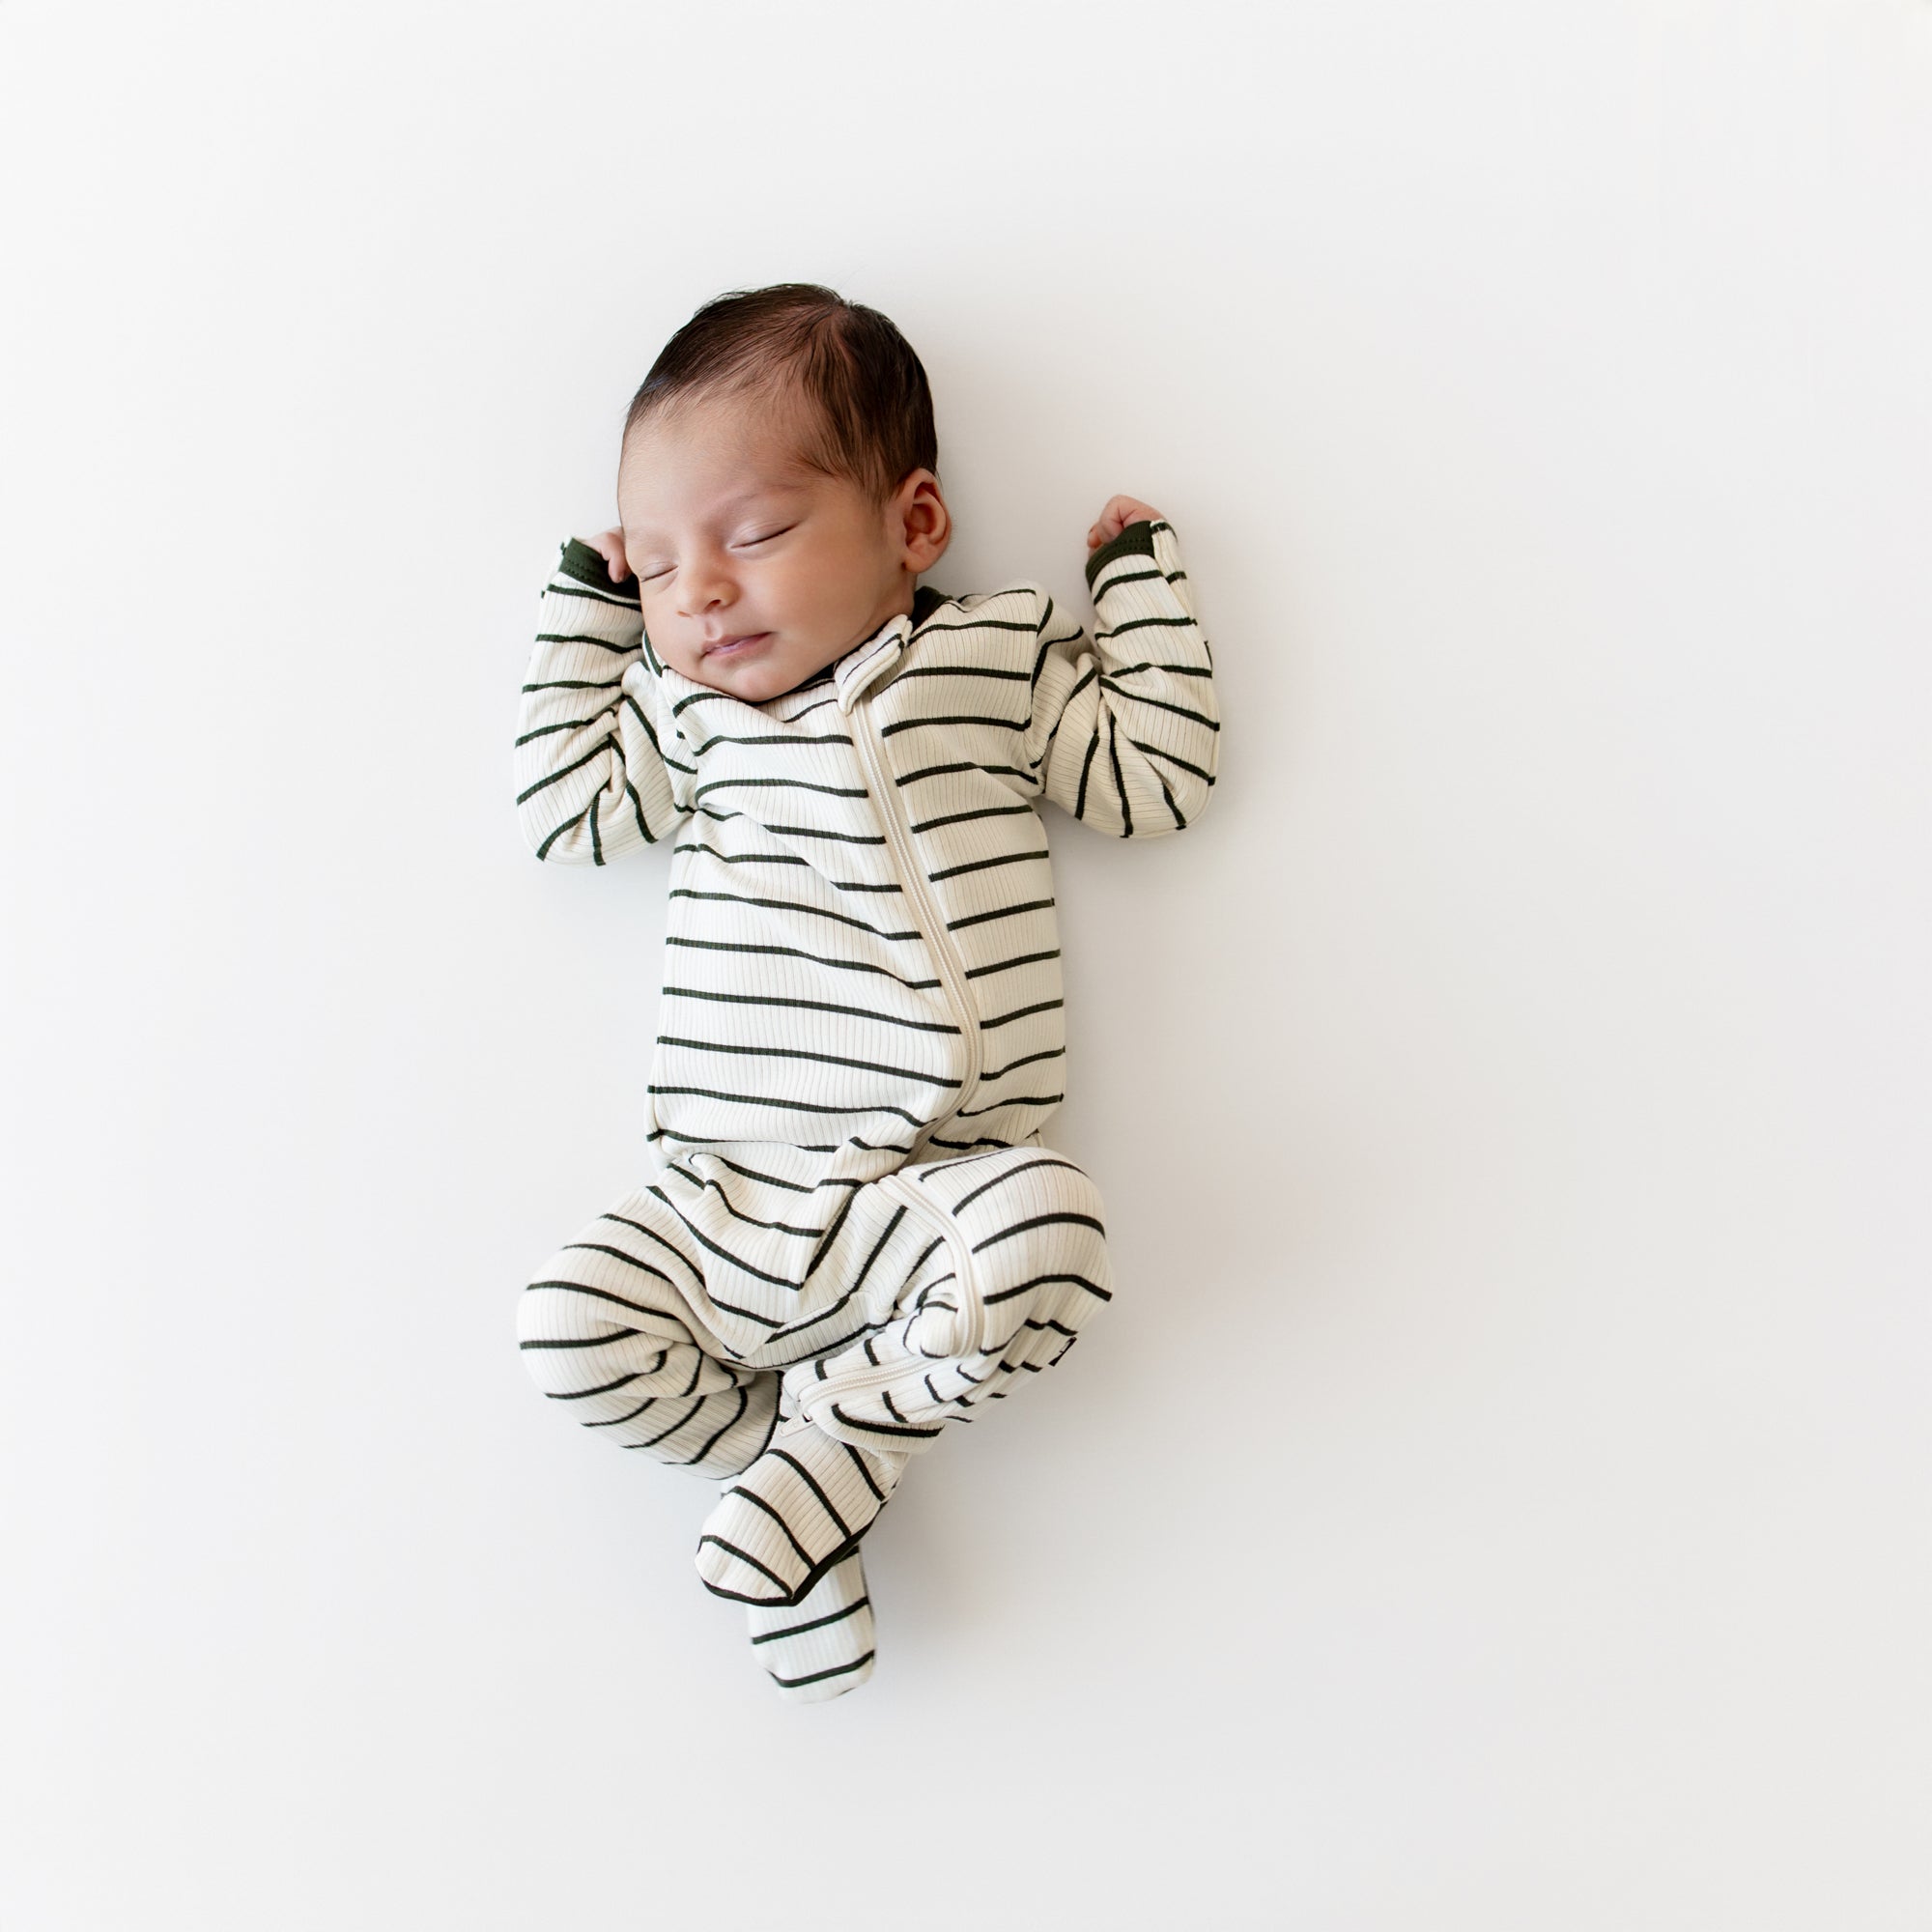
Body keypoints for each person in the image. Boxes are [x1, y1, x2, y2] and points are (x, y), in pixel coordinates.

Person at [512, 282, 1220, 1701]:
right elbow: (566, 813)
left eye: (755, 535)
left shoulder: (993, 662)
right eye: (655, 568)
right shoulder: (689, 722)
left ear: (914, 527)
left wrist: (1138, 587)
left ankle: (838, 1452)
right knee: (567, 1327)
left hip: (932, 1193)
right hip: (728, 1196)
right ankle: (800, 1508)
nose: (699, 592)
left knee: (1057, 1232)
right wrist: (589, 620)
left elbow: (1154, 781)